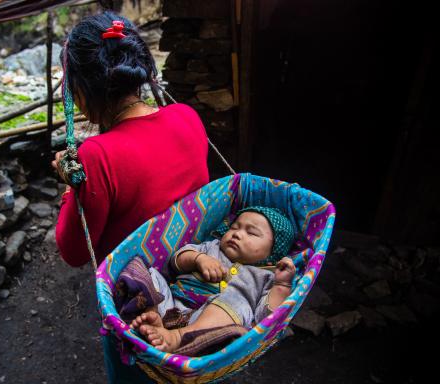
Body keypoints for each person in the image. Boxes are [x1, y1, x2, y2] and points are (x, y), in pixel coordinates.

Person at [52, 11, 209, 268]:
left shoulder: (96, 156)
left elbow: (74, 253)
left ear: (82, 87)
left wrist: (71, 187)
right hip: (196, 263)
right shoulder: (186, 115)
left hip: (142, 293)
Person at [126, 206, 296, 354]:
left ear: (274, 251)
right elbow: (175, 262)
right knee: (149, 273)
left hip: (206, 329)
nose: (237, 234)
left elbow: (265, 318)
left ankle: (177, 337)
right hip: (170, 304)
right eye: (234, 227)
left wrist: (281, 285)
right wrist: (198, 259)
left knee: (238, 304)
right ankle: (153, 317)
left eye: (251, 232)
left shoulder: (266, 277)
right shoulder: (212, 247)